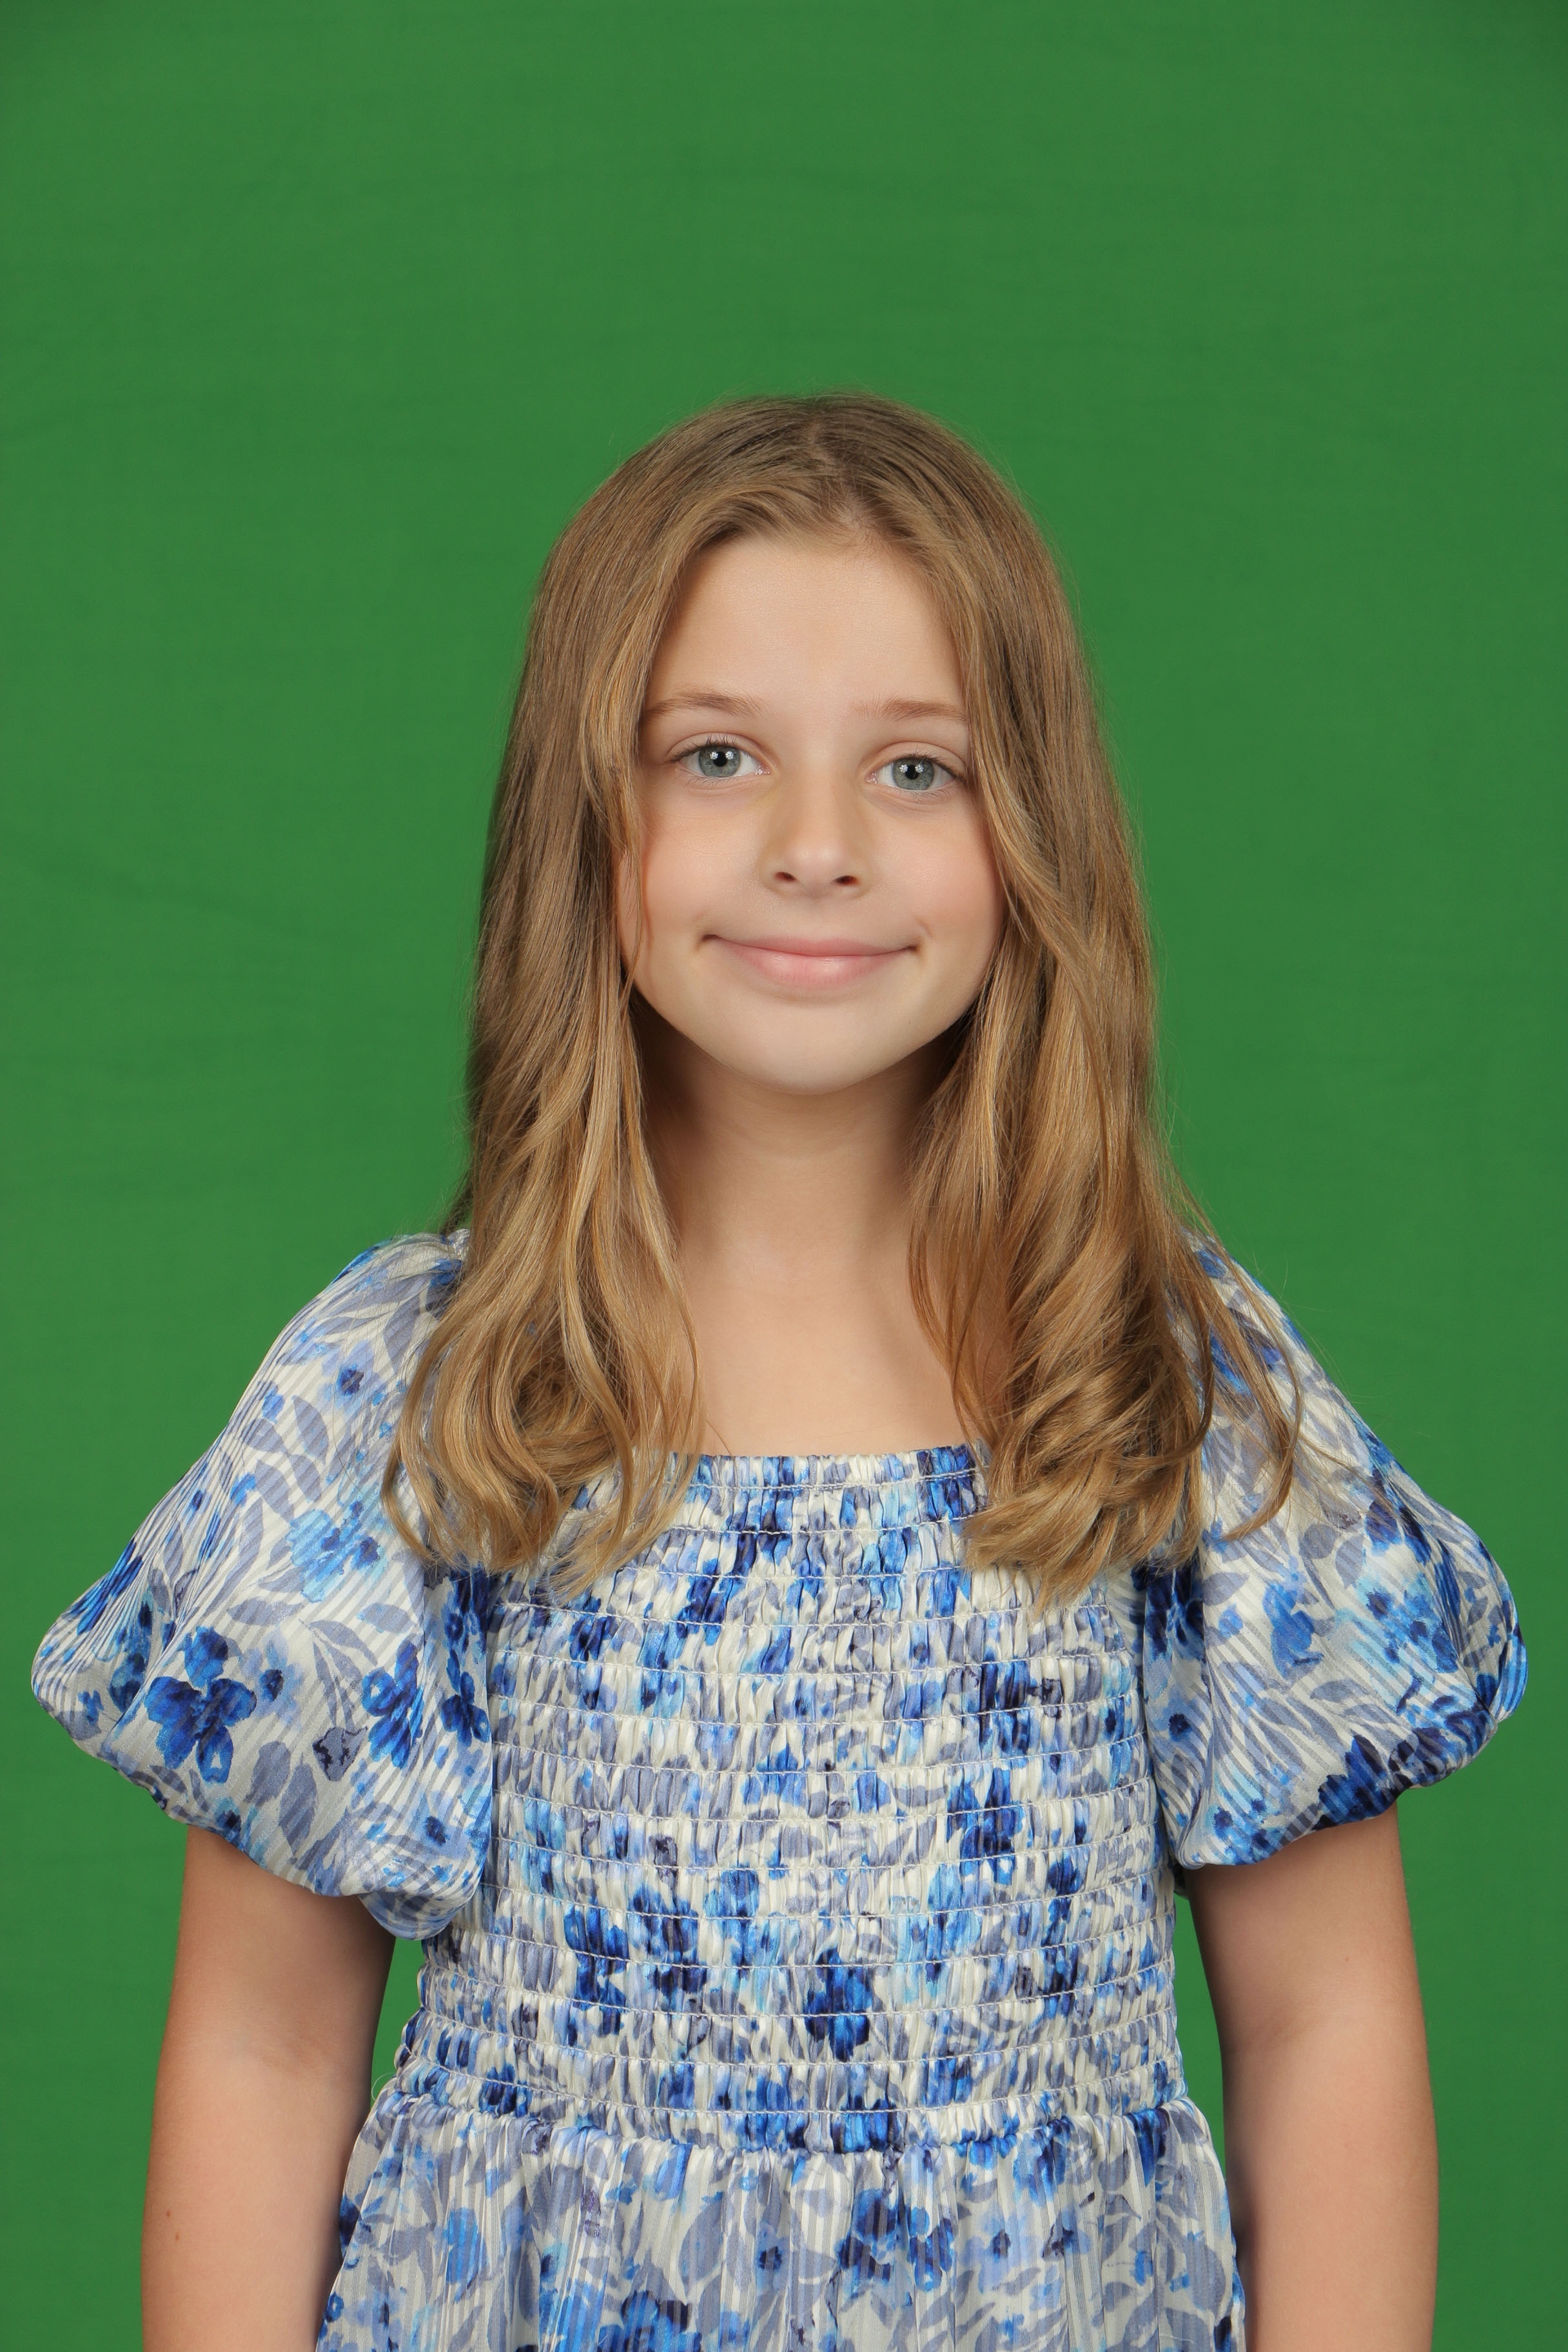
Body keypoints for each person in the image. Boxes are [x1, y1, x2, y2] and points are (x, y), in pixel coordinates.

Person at [33, 395, 1524, 2352]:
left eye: (917, 768)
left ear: (1034, 835)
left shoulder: (1158, 1379)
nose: (818, 848)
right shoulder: (423, 1395)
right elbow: (262, 2048)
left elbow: (1327, 2027)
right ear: (591, 820)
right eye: (718, 756)